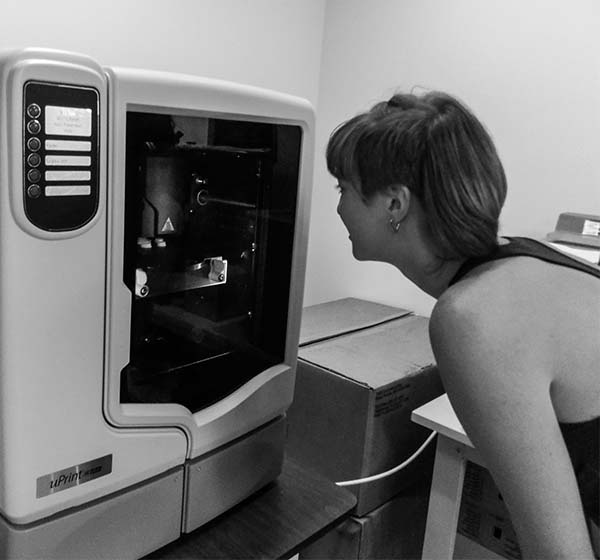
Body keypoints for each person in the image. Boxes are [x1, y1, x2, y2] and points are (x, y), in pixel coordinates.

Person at [326, 91, 599, 559]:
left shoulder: (470, 318)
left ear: (395, 204)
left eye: (343, 189)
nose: (339, 209)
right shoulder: (522, 258)